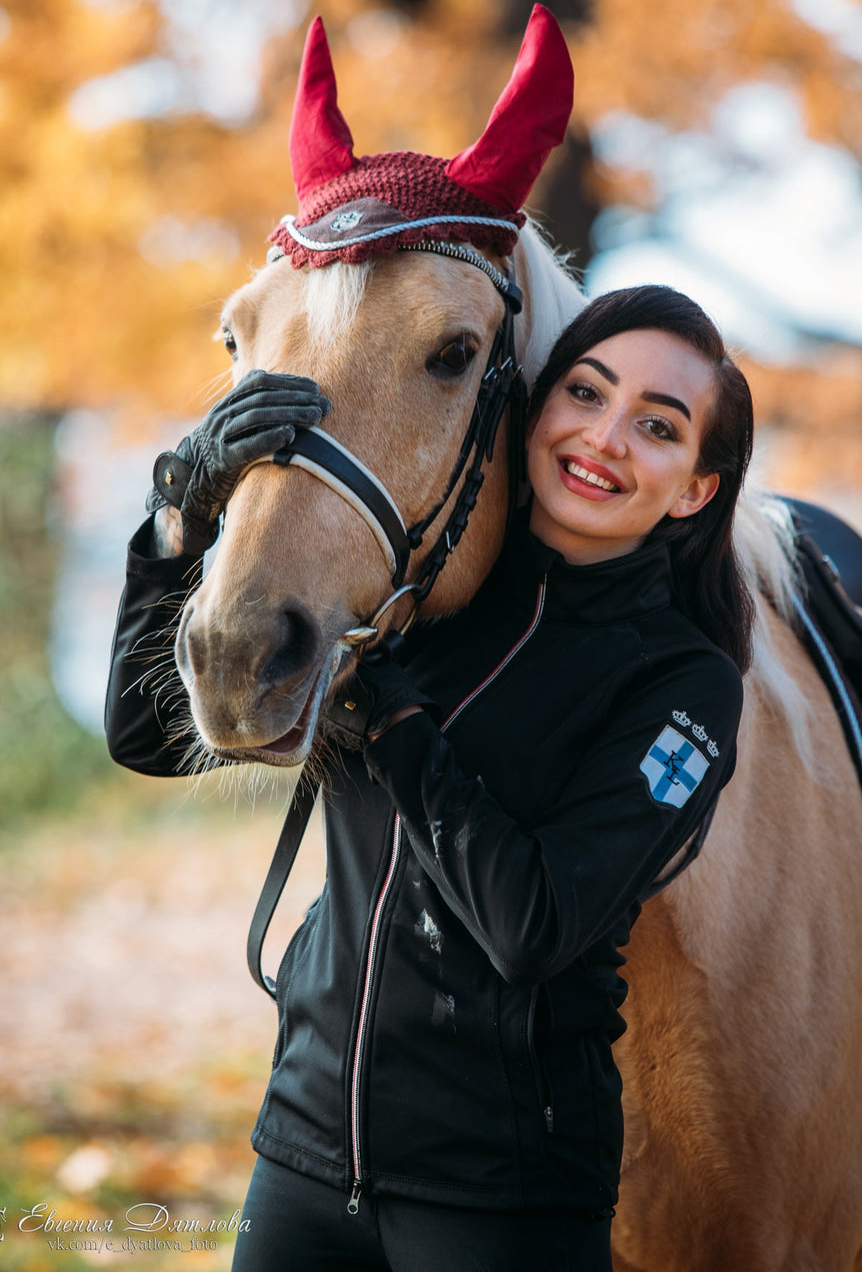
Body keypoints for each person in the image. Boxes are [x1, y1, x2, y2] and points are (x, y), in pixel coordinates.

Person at [105, 279, 754, 1272]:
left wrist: (397, 724)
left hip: (503, 1197)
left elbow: (535, 926)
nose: (604, 436)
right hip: (303, 1154)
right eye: (585, 392)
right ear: (535, 407)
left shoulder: (683, 686)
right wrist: (177, 520)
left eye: (657, 426)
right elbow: (148, 736)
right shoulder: (422, 598)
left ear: (695, 488)